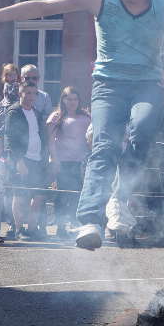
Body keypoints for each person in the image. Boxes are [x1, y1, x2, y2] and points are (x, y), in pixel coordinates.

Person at [0, 0, 164, 249]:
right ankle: (89, 220)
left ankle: (119, 201)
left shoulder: (163, 5)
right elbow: (44, 7)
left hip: (147, 84)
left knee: (143, 130)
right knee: (105, 144)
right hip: (109, 85)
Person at [3, 81, 47, 240]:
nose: (31, 96)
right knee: (20, 195)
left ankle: (32, 229)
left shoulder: (36, 112)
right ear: (20, 93)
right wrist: (18, 161)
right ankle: (19, 229)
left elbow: (41, 135)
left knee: (39, 195)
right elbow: (9, 138)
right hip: (22, 159)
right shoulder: (14, 112)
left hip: (38, 159)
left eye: (34, 93)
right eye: (27, 93)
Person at [47, 87, 91, 239]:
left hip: (82, 162)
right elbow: (51, 141)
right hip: (63, 162)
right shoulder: (56, 116)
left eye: (75, 99)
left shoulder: (86, 117)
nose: (72, 102)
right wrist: (54, 159)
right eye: (69, 99)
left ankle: (75, 225)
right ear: (63, 100)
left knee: (78, 195)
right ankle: (60, 227)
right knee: (62, 195)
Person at [0, 63, 20, 128]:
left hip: (16, 105)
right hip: (7, 106)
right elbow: (10, 95)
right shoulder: (7, 85)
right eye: (10, 75)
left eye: (14, 75)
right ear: (6, 76)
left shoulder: (17, 85)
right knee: (6, 124)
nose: (13, 77)